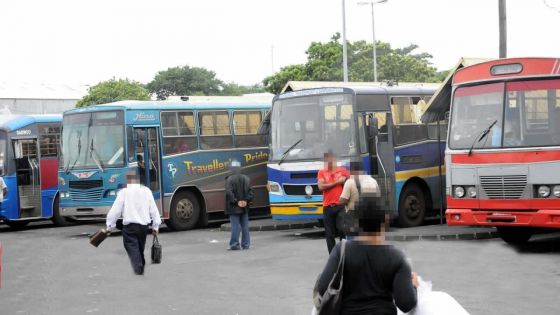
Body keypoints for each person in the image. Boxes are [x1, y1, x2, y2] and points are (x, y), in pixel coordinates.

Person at [316, 195, 419, 315]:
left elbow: (323, 288)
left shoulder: (341, 251)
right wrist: (413, 286)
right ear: (385, 221)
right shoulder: (396, 258)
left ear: (356, 221)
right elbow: (406, 304)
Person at [105, 170, 161, 275]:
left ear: (128, 180)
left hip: (130, 227)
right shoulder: (147, 191)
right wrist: (156, 226)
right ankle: (141, 265)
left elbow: (115, 211)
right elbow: (153, 209)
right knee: (140, 248)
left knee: (131, 246)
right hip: (144, 227)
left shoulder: (124, 192)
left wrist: (109, 226)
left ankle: (138, 265)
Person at [317, 151, 350, 253]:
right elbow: (321, 187)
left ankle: (343, 252)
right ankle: (333, 256)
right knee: (329, 234)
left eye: (331, 158)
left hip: (340, 205)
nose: (329, 160)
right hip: (327, 207)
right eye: (327, 158)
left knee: (342, 229)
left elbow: (352, 182)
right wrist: (337, 182)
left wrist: (345, 182)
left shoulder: (342, 171)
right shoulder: (322, 172)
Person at [225, 160, 254, 250]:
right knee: (245, 226)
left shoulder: (229, 179)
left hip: (234, 207)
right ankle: (246, 245)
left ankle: (234, 245)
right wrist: (245, 201)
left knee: (235, 226)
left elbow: (229, 192)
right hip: (244, 207)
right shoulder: (246, 178)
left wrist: (236, 201)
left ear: (232, 169)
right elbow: (251, 192)